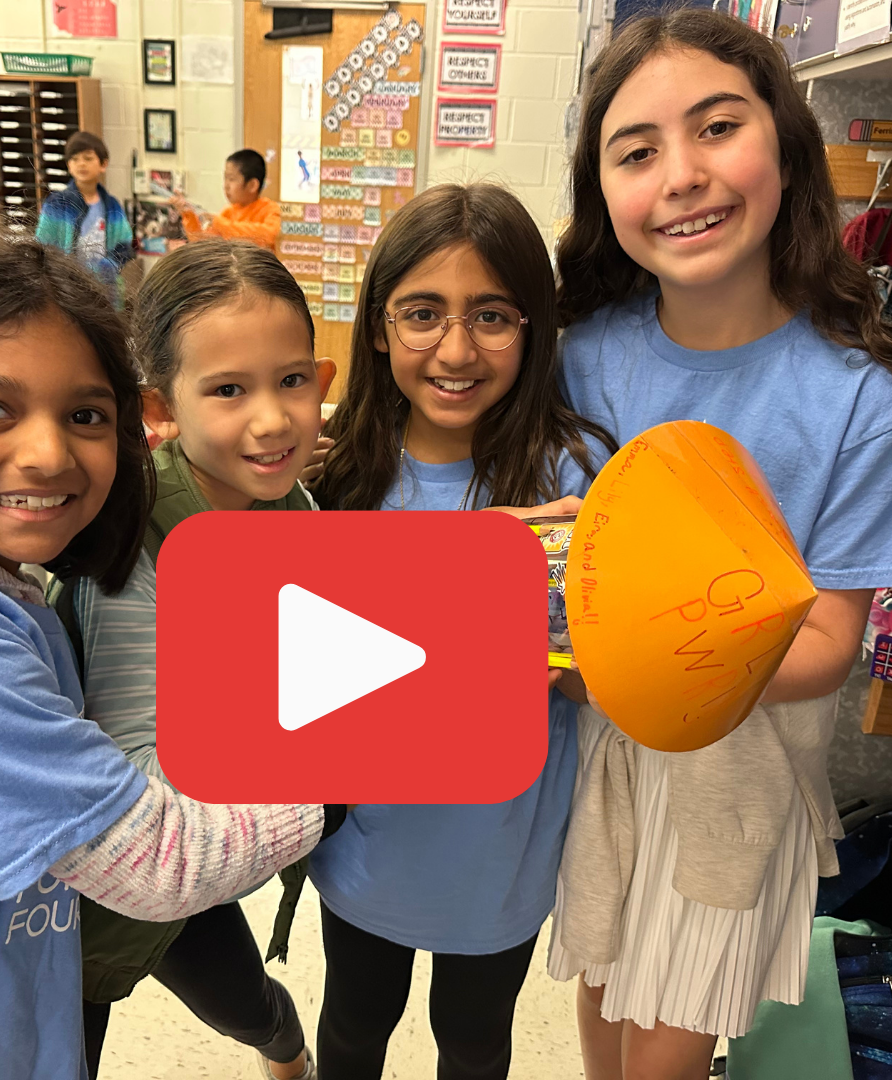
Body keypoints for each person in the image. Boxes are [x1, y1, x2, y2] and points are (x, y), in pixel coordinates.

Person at [0, 236, 347, 1080]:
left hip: (3, 986)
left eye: (84, 416)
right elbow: (161, 858)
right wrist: (341, 772)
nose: (49, 455)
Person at [545, 10, 892, 1079]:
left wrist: (662, 658)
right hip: (596, 762)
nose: (684, 174)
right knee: (601, 1002)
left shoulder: (854, 398)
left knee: (669, 1048)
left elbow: (831, 640)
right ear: (603, 192)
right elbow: (563, 577)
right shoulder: (581, 356)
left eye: (717, 128)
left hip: (736, 785)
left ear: (786, 148)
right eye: (638, 151)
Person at [309, 182, 615, 1080]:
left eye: (491, 316)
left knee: (476, 1042)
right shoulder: (338, 476)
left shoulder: (573, 476)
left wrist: (565, 654)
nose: (455, 349)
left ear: (533, 328)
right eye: (421, 314)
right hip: (369, 838)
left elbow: (609, 677)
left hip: (501, 848)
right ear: (376, 327)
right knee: (355, 1029)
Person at [57, 239, 335, 1080]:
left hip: (209, 866)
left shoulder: (293, 504)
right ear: (160, 403)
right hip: (102, 891)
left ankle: (282, 1049)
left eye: (291, 381)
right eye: (228, 390)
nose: (271, 418)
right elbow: (137, 787)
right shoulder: (136, 548)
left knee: (248, 1007)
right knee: (75, 1032)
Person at [35, 130, 134, 302]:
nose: (81, 164)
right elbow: (43, 246)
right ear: (68, 165)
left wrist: (107, 267)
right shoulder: (57, 204)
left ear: (103, 164)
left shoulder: (111, 205)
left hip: (105, 290)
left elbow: (125, 246)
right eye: (75, 159)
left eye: (88, 158)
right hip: (67, 289)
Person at [174, 149, 282, 251]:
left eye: (231, 179)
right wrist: (188, 215)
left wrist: (221, 224)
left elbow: (268, 235)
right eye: (225, 178)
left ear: (252, 185)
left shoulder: (269, 208)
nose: (226, 185)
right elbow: (202, 244)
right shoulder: (228, 212)